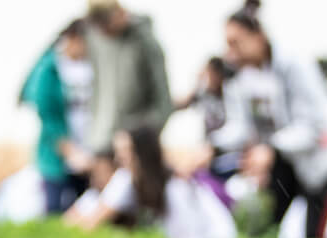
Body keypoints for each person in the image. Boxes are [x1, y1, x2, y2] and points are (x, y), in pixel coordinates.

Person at [212, 0, 327, 238]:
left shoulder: (293, 66)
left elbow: (312, 128)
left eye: (236, 43)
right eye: (227, 44)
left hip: (323, 154)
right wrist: (212, 147)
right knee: (268, 219)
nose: (230, 53)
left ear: (258, 37)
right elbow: (241, 127)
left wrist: (271, 148)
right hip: (283, 157)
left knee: (314, 228)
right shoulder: (239, 79)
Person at [66, 127, 237, 238]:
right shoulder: (127, 179)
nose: (119, 159)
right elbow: (88, 220)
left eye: (125, 152)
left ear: (142, 154)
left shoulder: (174, 187)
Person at [20, 20, 94, 214]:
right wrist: (70, 151)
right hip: (57, 159)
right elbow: (48, 116)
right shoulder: (50, 69)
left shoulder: (94, 68)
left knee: (83, 212)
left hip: (89, 155)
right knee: (54, 210)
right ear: (73, 39)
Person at [84, 0, 173, 153]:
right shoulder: (96, 39)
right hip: (101, 141)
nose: (103, 32)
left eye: (106, 26)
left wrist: (141, 137)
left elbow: (163, 101)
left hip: (136, 145)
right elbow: (97, 86)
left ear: (120, 13)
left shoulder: (145, 42)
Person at [176, 57, 242, 182]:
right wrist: (197, 82)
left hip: (230, 151)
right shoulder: (203, 93)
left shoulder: (231, 93)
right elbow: (179, 104)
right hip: (209, 151)